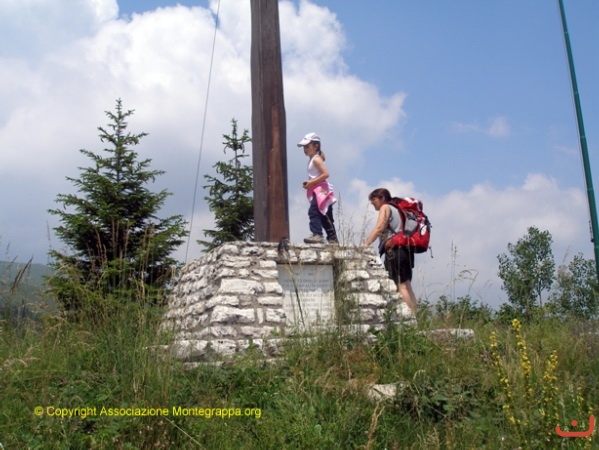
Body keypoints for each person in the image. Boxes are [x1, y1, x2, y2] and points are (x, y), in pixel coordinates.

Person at [363, 188, 417, 316]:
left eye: (373, 199)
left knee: (400, 286)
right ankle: (415, 317)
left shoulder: (385, 207)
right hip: (406, 249)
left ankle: (408, 319)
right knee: (407, 285)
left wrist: (365, 244)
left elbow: (380, 227)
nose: (371, 202)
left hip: (395, 250)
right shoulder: (398, 209)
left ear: (382, 198)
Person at [297, 132, 338, 244]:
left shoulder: (316, 159)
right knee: (325, 214)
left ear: (316, 146)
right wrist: (310, 183)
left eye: (307, 146)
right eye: (304, 147)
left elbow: (325, 174)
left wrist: (311, 182)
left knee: (314, 211)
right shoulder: (313, 159)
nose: (305, 149)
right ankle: (333, 239)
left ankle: (317, 234)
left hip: (320, 189)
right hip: (320, 189)